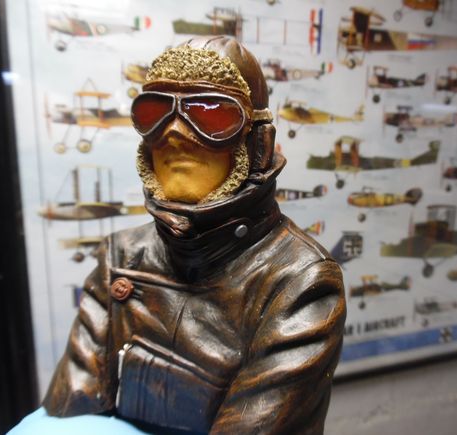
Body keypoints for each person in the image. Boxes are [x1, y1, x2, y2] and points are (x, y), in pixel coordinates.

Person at [41, 36, 346, 434]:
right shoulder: (119, 257)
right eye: (154, 113)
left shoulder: (300, 281)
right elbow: (71, 411)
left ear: (256, 142)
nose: (174, 133)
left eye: (210, 115)